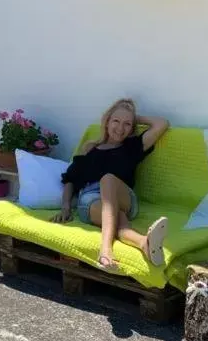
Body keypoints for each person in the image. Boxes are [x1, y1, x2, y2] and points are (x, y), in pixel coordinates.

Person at [53, 99, 169, 269]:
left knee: (108, 179)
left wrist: (135, 117)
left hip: (124, 196)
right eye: (116, 121)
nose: (120, 128)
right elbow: (71, 178)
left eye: (127, 124)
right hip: (91, 202)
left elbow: (162, 124)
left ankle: (105, 250)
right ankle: (144, 243)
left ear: (131, 128)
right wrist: (66, 207)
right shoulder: (90, 148)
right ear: (107, 122)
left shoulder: (133, 146)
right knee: (119, 220)